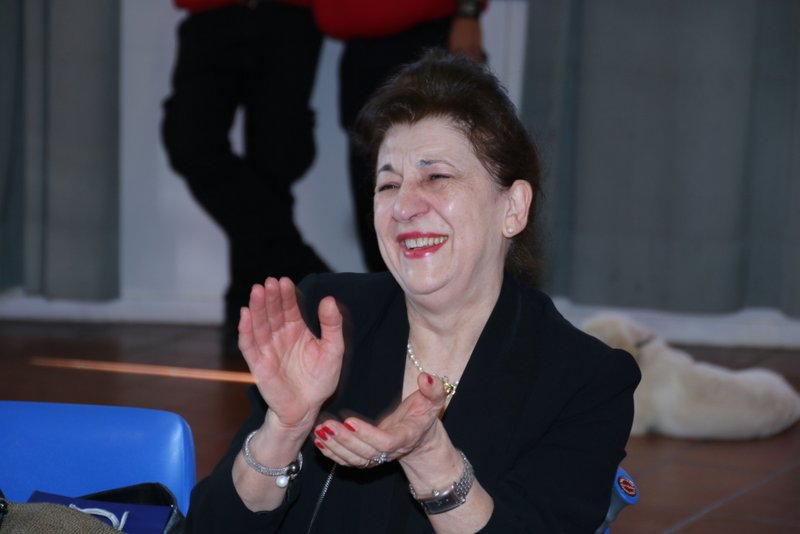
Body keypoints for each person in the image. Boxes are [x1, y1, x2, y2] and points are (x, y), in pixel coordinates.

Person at [185, 51, 641, 532]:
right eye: (388, 185)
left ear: (512, 208)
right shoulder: (328, 315)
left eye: (436, 176)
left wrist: (432, 462)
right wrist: (284, 429)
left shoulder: (583, 381)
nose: (403, 207)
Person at [161, 0, 330, 359]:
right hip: (212, 12)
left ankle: (251, 318)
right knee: (191, 143)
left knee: (276, 161)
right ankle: (310, 275)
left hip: (288, 14)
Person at [320, 0, 488, 272]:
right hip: (359, 47)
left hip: (423, 36)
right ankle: (391, 290)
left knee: (439, 180)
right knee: (374, 198)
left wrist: (468, 11)